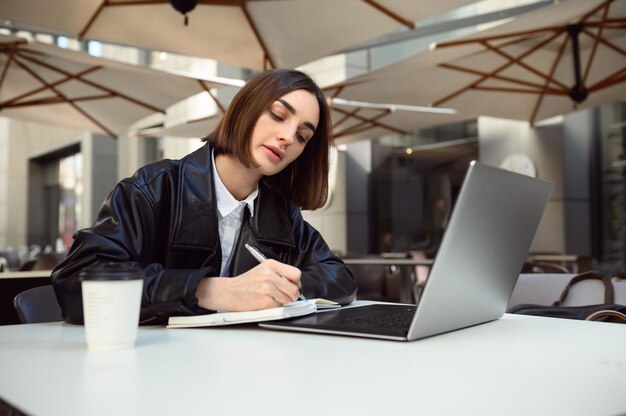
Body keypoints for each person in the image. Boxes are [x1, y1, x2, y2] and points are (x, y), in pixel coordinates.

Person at [52, 69, 357, 325]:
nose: (288, 137)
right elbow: (76, 281)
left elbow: (340, 278)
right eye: (278, 115)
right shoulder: (154, 188)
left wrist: (284, 285)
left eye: (302, 136)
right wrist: (210, 291)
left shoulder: (280, 212)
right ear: (245, 108)